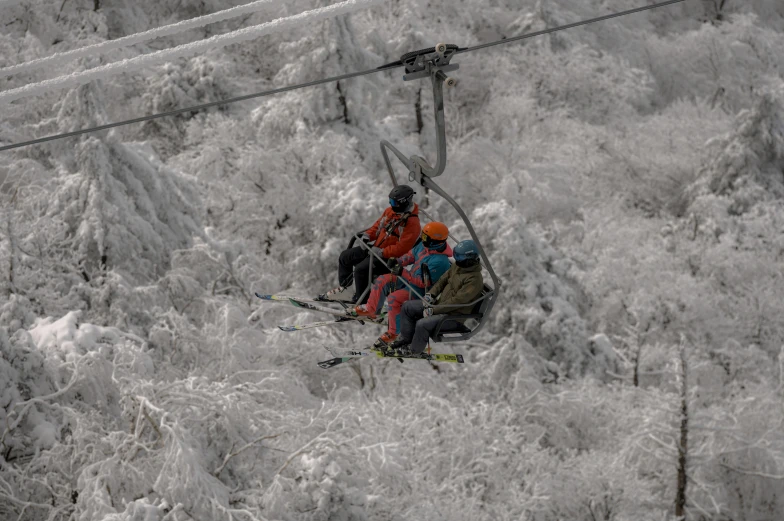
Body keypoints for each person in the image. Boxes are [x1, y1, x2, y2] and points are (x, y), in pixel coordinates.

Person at [351, 222, 453, 346]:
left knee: (394, 299)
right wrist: (398, 261)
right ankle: (371, 309)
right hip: (410, 279)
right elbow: (410, 256)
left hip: (421, 291)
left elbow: (422, 282)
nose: (422, 239)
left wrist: (402, 272)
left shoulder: (440, 262)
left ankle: (395, 333)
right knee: (382, 280)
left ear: (434, 241)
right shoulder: (424, 246)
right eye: (423, 236)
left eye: (425, 237)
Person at [386, 239, 484, 356]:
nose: (457, 261)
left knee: (422, 324)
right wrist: (430, 295)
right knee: (408, 307)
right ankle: (406, 339)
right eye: (457, 257)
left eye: (460, 258)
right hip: (439, 306)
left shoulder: (474, 280)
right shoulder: (458, 267)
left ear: (470, 259)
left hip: (453, 317)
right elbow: (442, 281)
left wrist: (433, 310)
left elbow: (457, 302)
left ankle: (413, 350)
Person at [324, 185, 421, 304]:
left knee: (361, 270)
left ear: (404, 202)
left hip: (389, 258)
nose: (392, 205)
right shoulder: (390, 212)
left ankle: (363, 303)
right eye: (390, 201)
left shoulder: (412, 223)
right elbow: (377, 227)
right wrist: (367, 236)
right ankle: (346, 290)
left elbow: (402, 248)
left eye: (395, 202)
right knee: (346, 256)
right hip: (376, 249)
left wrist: (382, 252)